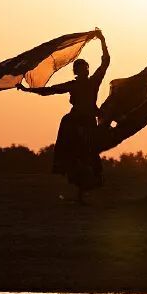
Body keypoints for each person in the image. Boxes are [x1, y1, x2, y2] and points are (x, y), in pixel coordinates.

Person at [17, 30, 110, 204]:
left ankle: (83, 191)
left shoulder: (92, 82)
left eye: (83, 68)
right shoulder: (76, 85)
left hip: (87, 123)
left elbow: (105, 62)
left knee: (87, 155)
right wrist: (27, 90)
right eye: (80, 69)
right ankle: (80, 193)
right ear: (78, 72)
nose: (82, 71)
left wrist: (103, 41)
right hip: (76, 123)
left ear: (86, 70)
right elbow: (49, 90)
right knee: (78, 156)